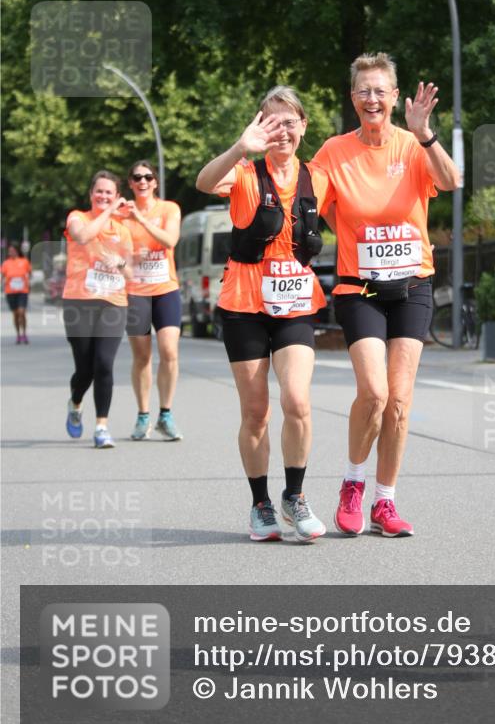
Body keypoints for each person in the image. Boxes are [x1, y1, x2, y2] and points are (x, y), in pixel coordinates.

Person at [311, 53, 461, 537]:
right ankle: (352, 483)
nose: (372, 99)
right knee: (374, 393)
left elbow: (451, 181)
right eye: (363, 91)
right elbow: (306, 200)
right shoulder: (334, 151)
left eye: (380, 90)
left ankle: (385, 502)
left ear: (395, 97)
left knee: (399, 400)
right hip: (361, 289)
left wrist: (427, 134)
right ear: (352, 98)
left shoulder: (413, 145)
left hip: (413, 285)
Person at [196, 86, 328, 542]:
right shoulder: (244, 172)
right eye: (272, 123)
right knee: (256, 412)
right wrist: (240, 145)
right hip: (244, 305)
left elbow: (362, 213)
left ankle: (295, 495)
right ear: (260, 127)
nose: (282, 131)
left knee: (298, 402)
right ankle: (261, 504)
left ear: (304, 126)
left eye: (290, 122)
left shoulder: (319, 176)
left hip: (294, 303)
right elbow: (203, 182)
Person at [62, 170, 133, 449]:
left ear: (115, 196)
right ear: (91, 194)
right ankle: (76, 402)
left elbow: (130, 271)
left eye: (109, 193)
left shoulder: (123, 231)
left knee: (104, 364)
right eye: (99, 192)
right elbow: (82, 237)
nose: (104, 196)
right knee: (84, 370)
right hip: (79, 301)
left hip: (113, 302)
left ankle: (102, 426)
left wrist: (120, 263)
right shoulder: (77, 217)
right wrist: (110, 212)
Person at [121, 160, 183, 442]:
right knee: (142, 356)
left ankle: (166, 414)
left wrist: (142, 220)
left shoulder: (168, 209)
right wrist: (130, 259)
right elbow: (117, 255)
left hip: (166, 289)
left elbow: (170, 240)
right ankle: (143, 414)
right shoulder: (121, 217)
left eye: (148, 177)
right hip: (136, 292)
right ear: (131, 184)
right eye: (137, 178)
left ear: (155, 182)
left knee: (169, 351)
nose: (143, 181)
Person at [2, 243, 31, 344]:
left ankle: (24, 334)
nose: (11, 253)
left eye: (13, 250)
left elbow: (29, 273)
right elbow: (2, 275)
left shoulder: (24, 261)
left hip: (23, 291)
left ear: (17, 251)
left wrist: (27, 281)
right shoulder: (6, 263)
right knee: (15, 314)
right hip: (10, 292)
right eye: (10, 251)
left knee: (21, 312)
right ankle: (18, 334)